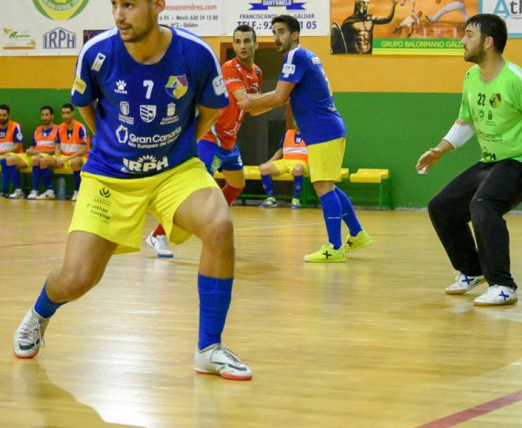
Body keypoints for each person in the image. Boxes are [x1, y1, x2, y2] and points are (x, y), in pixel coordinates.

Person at [12, 0, 251, 380]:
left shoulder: (196, 54)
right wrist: (114, 145)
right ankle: (39, 312)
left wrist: (179, 145)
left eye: (129, 5)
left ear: (158, 5)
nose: (119, 15)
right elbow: (86, 106)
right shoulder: (98, 53)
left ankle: (208, 348)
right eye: (114, 5)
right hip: (110, 176)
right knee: (77, 279)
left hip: (174, 171)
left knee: (219, 226)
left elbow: (212, 109)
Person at [415, 13, 522, 306]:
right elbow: (465, 122)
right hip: (490, 161)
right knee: (442, 207)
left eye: (468, 34)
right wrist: (440, 149)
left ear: (488, 42)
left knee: (484, 205)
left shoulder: (516, 80)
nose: (462, 41)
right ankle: (472, 270)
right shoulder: (471, 77)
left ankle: (503, 285)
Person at [239, 14, 373, 263]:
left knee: (323, 186)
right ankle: (357, 234)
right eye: (274, 32)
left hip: (324, 130)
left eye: (281, 32)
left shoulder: (296, 56)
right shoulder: (306, 56)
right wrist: (254, 106)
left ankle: (334, 247)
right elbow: (283, 96)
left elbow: (279, 97)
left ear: (295, 34)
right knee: (328, 185)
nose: (276, 37)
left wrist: (250, 103)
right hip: (325, 130)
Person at [145, 25, 262, 258]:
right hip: (211, 138)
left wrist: (274, 100)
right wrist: (283, 96)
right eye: (237, 41)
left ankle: (211, 221)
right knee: (192, 195)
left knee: (237, 183)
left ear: (256, 44)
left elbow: (254, 110)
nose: (242, 46)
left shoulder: (257, 72)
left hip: (230, 141)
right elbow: (245, 101)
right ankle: (158, 234)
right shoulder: (229, 69)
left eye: (247, 41)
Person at [332, 0, 399, 54]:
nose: (365, 6)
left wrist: (393, 4)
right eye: (363, 2)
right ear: (357, 4)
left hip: (369, 54)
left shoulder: (371, 19)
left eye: (367, 3)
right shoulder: (349, 22)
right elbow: (342, 44)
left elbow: (387, 19)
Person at [259, 127, 308, 209]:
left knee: (297, 169)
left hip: (302, 161)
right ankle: (271, 198)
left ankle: (296, 199)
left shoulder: (312, 133)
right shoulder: (288, 133)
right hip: (285, 160)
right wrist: (269, 162)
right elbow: (280, 151)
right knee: (264, 168)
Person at [54, 103, 90, 201]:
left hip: (81, 157)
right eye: (63, 113)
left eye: (68, 113)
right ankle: (49, 191)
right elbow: (57, 146)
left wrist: (66, 158)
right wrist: (58, 158)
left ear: (73, 113)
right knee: (44, 160)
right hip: (64, 156)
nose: (65, 115)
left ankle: (77, 191)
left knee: (75, 162)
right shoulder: (60, 127)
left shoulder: (80, 127)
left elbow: (84, 150)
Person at [23, 105, 58, 200]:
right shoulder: (37, 129)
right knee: (33, 158)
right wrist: (29, 150)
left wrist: (37, 152)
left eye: (47, 115)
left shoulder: (58, 129)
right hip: (36, 154)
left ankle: (36, 190)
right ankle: (46, 190)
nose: (44, 117)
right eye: (42, 115)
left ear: (52, 116)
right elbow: (32, 146)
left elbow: (56, 149)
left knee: (36, 159)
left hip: (50, 155)